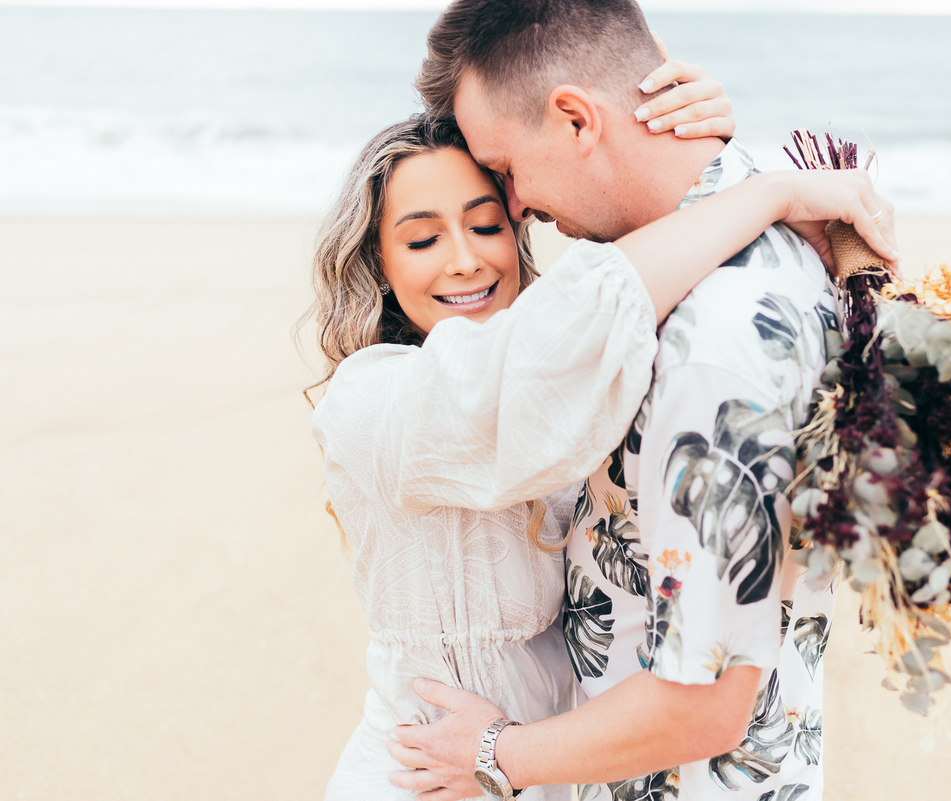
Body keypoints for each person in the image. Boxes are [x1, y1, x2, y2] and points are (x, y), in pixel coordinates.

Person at [305, 61, 896, 801]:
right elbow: (569, 330)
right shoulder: (374, 400)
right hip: (430, 770)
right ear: (380, 264)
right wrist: (762, 192)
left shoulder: (580, 377)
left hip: (548, 763)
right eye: (422, 240)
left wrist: (675, 144)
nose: (465, 260)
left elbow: (613, 227)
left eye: (488, 223)